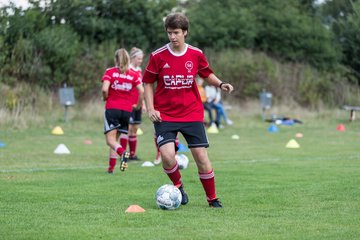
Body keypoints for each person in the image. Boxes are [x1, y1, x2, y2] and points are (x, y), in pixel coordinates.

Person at [143, 12, 234, 208]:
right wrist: (150, 108)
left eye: (176, 32)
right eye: (169, 33)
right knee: (167, 156)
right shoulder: (158, 56)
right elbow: (148, 83)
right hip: (164, 114)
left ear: (185, 32)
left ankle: (212, 199)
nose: (172, 37)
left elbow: (206, 73)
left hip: (191, 112)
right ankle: (178, 188)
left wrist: (221, 84)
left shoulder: (195, 54)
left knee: (201, 156)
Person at [102, 48, 144, 173]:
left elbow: (105, 89)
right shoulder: (133, 74)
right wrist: (138, 105)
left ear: (116, 59)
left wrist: (105, 98)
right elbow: (141, 91)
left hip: (112, 108)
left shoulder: (110, 72)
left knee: (110, 140)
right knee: (115, 140)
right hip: (126, 111)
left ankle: (123, 153)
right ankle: (111, 168)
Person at [127, 47, 145, 160]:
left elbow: (141, 88)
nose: (140, 61)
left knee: (135, 129)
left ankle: (133, 154)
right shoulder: (127, 69)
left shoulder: (139, 70)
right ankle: (125, 154)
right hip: (129, 104)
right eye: (138, 58)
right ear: (133, 58)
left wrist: (143, 103)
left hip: (138, 104)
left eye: (141, 59)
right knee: (127, 129)